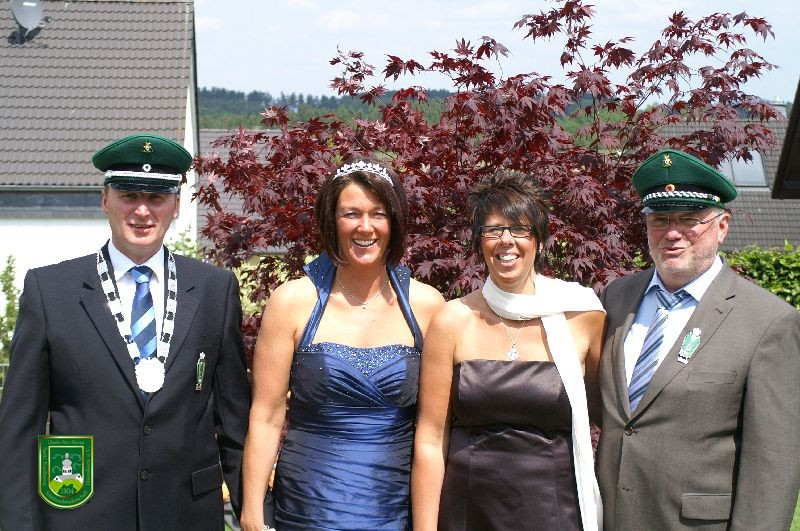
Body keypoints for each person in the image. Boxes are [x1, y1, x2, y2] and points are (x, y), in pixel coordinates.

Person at [0, 134, 251, 530]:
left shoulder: (214, 290)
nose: (142, 210)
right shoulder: (50, 291)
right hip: (81, 513)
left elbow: (234, 422)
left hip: (185, 514)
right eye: (129, 195)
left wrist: (255, 513)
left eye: (156, 198)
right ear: (105, 200)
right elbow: (19, 429)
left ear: (176, 206)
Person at [597, 148, 800, 530]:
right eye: (660, 219)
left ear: (722, 226)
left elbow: (773, 462)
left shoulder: (768, 322)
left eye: (690, 220)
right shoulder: (616, 298)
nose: (672, 233)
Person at [239, 158, 444, 530]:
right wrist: (252, 509)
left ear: (394, 222)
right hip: (307, 507)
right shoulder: (291, 303)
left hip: (394, 508)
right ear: (332, 221)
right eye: (351, 213)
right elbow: (266, 416)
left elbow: (434, 432)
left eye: (378, 214)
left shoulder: (427, 306)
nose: (365, 227)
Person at [411, 170, 606, 531]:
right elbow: (431, 439)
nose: (506, 241)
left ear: (540, 240)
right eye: (493, 230)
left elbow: (607, 419)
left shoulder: (583, 318)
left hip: (556, 513)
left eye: (519, 229)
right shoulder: (452, 321)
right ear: (479, 241)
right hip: (467, 511)